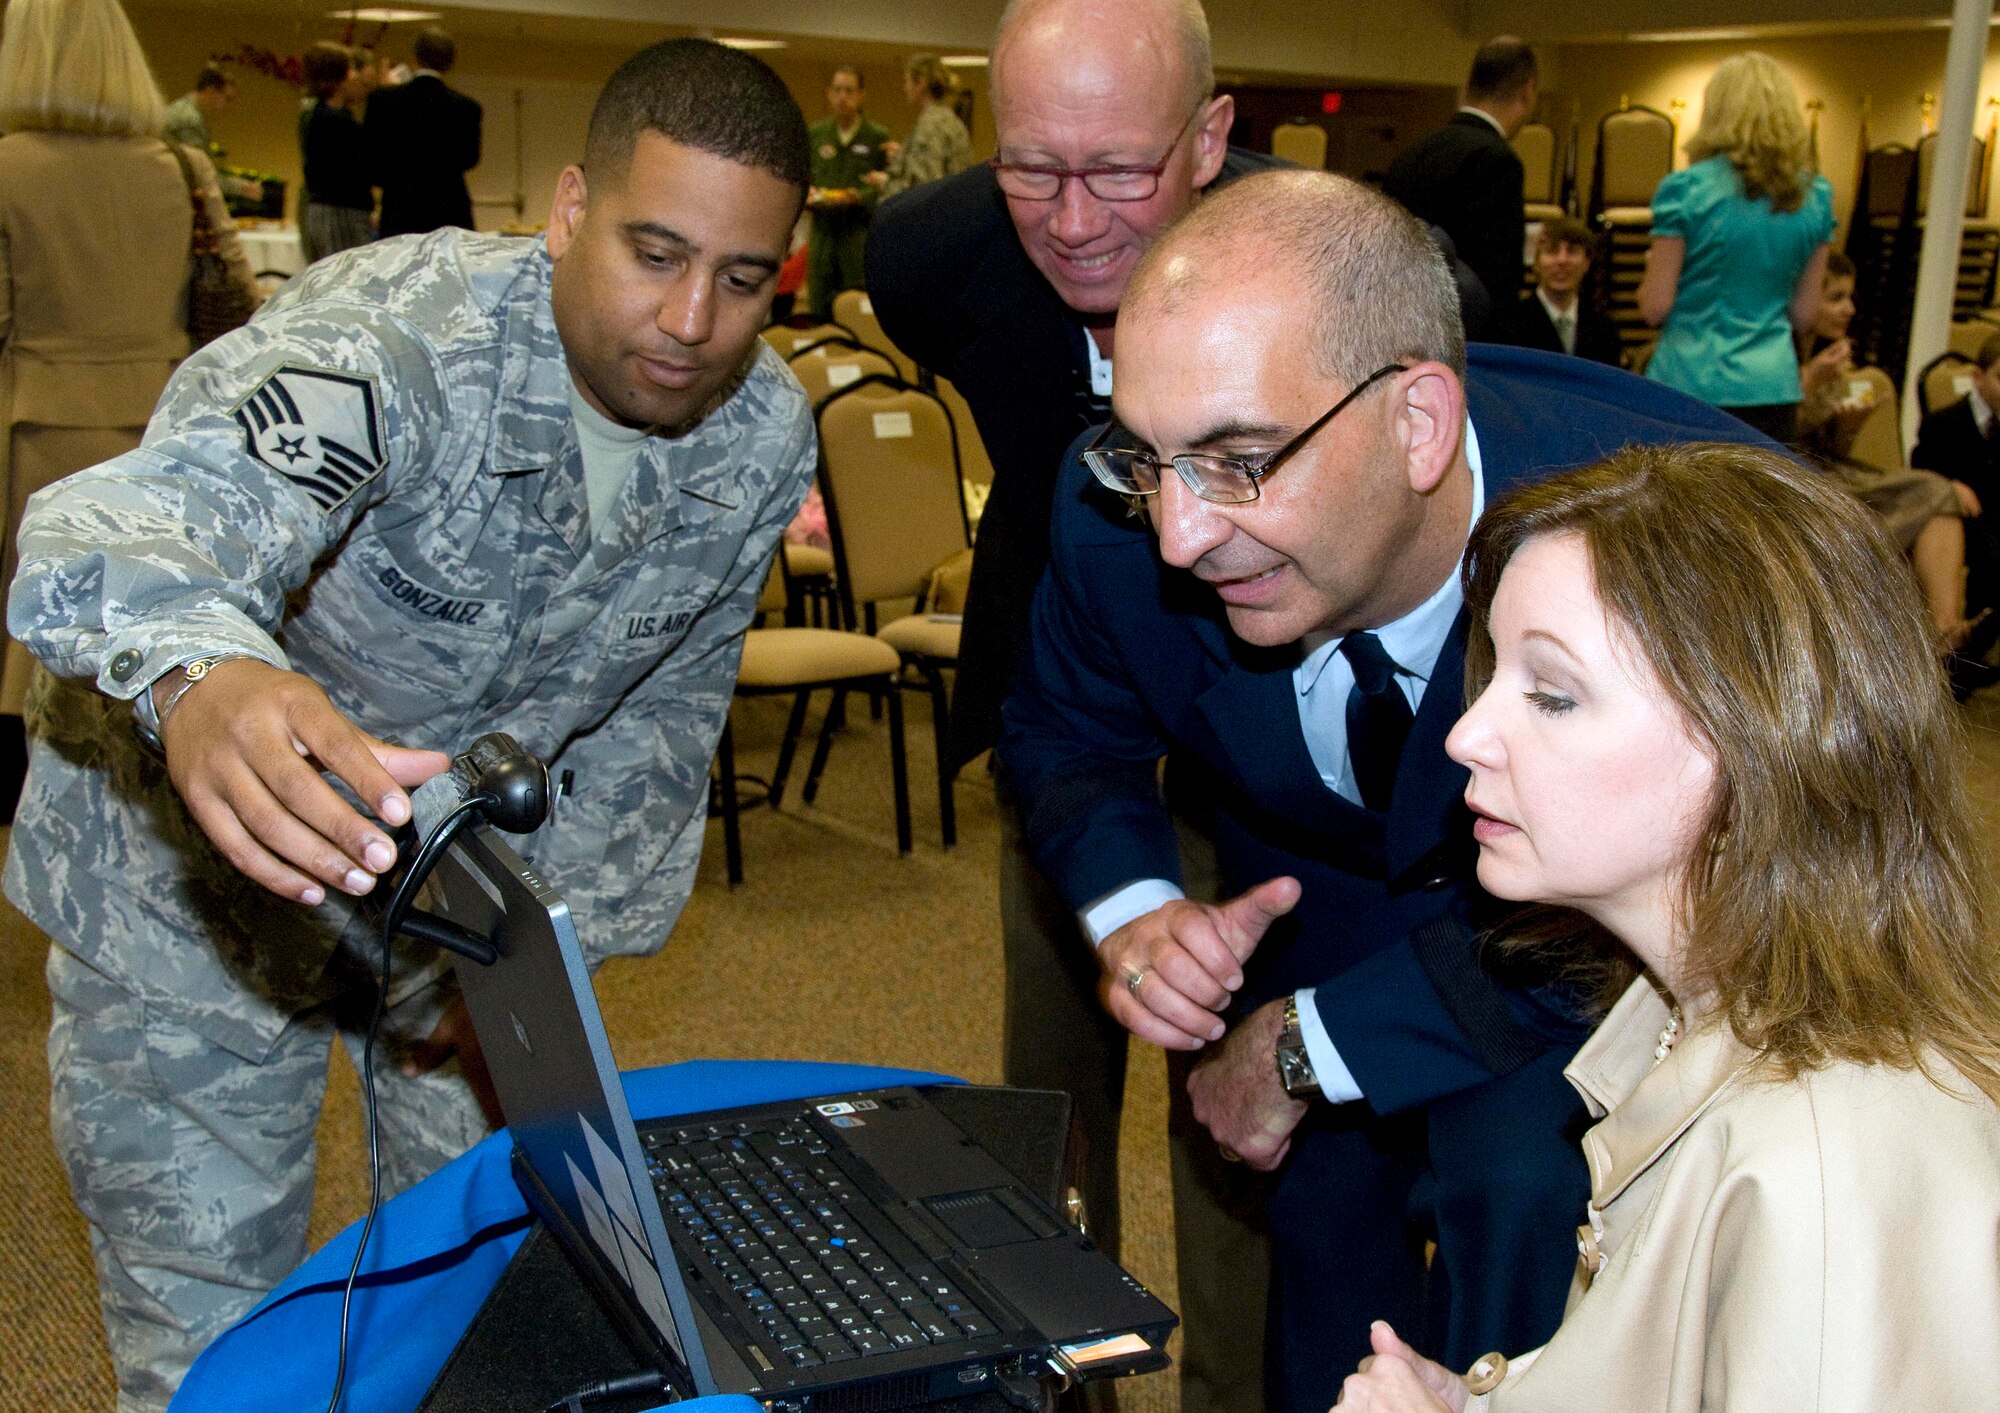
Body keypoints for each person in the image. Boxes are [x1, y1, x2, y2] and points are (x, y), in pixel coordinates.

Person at [6, 38, 814, 1411]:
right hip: (184, 894)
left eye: (741, 279)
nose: (691, 320)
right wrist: (205, 676)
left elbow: (656, 735)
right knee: (219, 1356)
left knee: (474, 1310)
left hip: (441, 921)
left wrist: (543, 972)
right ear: (566, 211)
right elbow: (112, 525)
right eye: (652, 251)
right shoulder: (392, 347)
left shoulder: (754, 440)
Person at [996, 166, 1773, 1413]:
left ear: (1416, 423)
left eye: (1239, 462)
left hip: (1589, 959)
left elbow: (1742, 875)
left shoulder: (1678, 539)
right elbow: (1061, 731)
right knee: (1320, 1262)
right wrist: (1136, 908)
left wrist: (1312, 1043)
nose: (1179, 537)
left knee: (1520, 1202)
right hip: (1312, 906)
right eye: (1149, 459)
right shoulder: (1116, 520)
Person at [1334, 443, 2000, 1412]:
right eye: (1489, 677)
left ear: (1757, 745)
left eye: (1551, 695)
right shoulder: (1675, 1012)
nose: (1464, 736)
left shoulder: (1822, 1176)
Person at [866, 2, 1278, 1405]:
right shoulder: (938, 257)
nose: (1075, 218)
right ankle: (1063, 1384)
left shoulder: (1314, 254)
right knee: (1046, 1110)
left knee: (1239, 1115)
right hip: (1058, 714)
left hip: (1251, 722)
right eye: (1033, 166)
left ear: (1212, 137)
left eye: (1122, 170)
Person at [0, 0, 256, 820]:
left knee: (30, 632)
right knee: (152, 625)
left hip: (36, 423)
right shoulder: (179, 166)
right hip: (159, 428)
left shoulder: (7, 166)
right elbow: (239, 297)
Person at [1795, 250, 1995, 688]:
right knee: (1935, 489)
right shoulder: (1778, 359)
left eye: (1850, 297)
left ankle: (1947, 634)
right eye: (1835, 298)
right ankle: (1945, 640)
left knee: (1938, 493)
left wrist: (1849, 425)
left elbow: (1829, 445)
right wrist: (1809, 379)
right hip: (1794, 477)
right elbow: (1766, 437)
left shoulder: (1834, 358)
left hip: (1831, 467)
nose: (1849, 309)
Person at [1638, 52, 1833, 444]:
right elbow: (1805, 314)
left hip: (1687, 382)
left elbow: (1654, 307)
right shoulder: (1815, 195)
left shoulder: (1687, 189)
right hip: (1773, 386)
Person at [1382, 37, 1538, 326]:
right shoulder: (1498, 161)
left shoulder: (1414, 151)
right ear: (1528, 91)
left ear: (1470, 86)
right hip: (1465, 335)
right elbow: (1499, 280)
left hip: (1399, 321)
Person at [364, 26, 483, 239]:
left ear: (414, 57)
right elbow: (470, 159)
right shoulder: (466, 108)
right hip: (450, 209)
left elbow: (372, 161)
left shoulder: (383, 100)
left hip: (400, 208)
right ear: (449, 63)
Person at [804, 65, 888, 319]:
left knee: (855, 309)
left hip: (856, 235)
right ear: (829, 94)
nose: (843, 97)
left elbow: (887, 188)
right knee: (819, 308)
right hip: (823, 234)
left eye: (849, 91)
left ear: (861, 95)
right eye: (838, 90)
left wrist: (860, 196)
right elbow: (804, 177)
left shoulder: (876, 137)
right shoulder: (817, 134)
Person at [297, 41, 373, 262]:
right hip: (339, 211)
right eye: (351, 70)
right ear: (337, 78)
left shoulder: (327, 116)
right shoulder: (332, 120)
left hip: (334, 209)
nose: (356, 77)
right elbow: (364, 161)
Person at [1505, 218, 1621, 366]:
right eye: (1552, 250)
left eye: (1572, 251)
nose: (1562, 260)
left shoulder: (1604, 329)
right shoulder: (1510, 325)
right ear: (1536, 263)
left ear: (1587, 263)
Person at [163, 62, 264, 207]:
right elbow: (200, 174)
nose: (226, 105)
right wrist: (241, 187)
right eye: (227, 98)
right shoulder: (190, 120)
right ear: (211, 90)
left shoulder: (184, 110)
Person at [875, 54, 971, 200]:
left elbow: (923, 186)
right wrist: (904, 156)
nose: (905, 87)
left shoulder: (930, 125)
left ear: (920, 83)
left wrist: (885, 181)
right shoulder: (952, 121)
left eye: (907, 81)